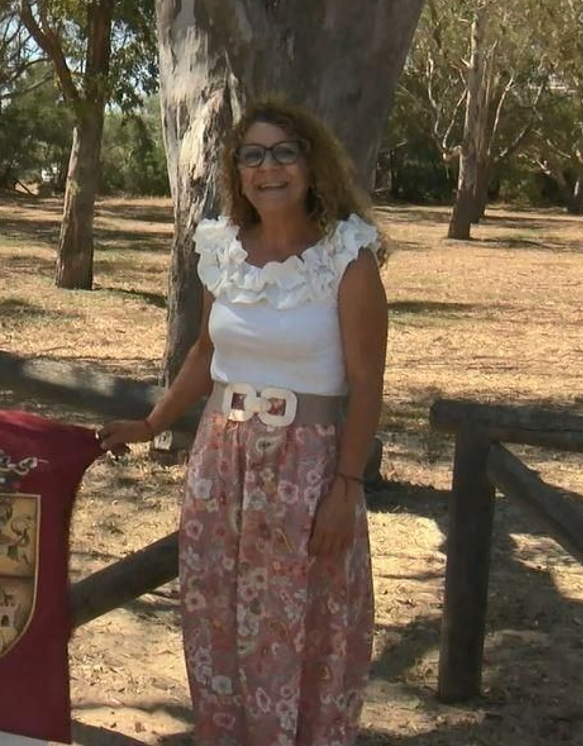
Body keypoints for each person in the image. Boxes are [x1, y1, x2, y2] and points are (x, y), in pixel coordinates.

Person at [99, 101, 387, 745]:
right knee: (218, 616)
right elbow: (206, 353)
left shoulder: (347, 256)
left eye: (284, 151)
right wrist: (153, 423)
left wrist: (347, 485)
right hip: (220, 461)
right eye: (252, 155)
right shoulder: (222, 251)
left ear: (311, 164)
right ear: (238, 171)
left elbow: (368, 382)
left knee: (296, 621)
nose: (268, 168)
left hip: (306, 468)